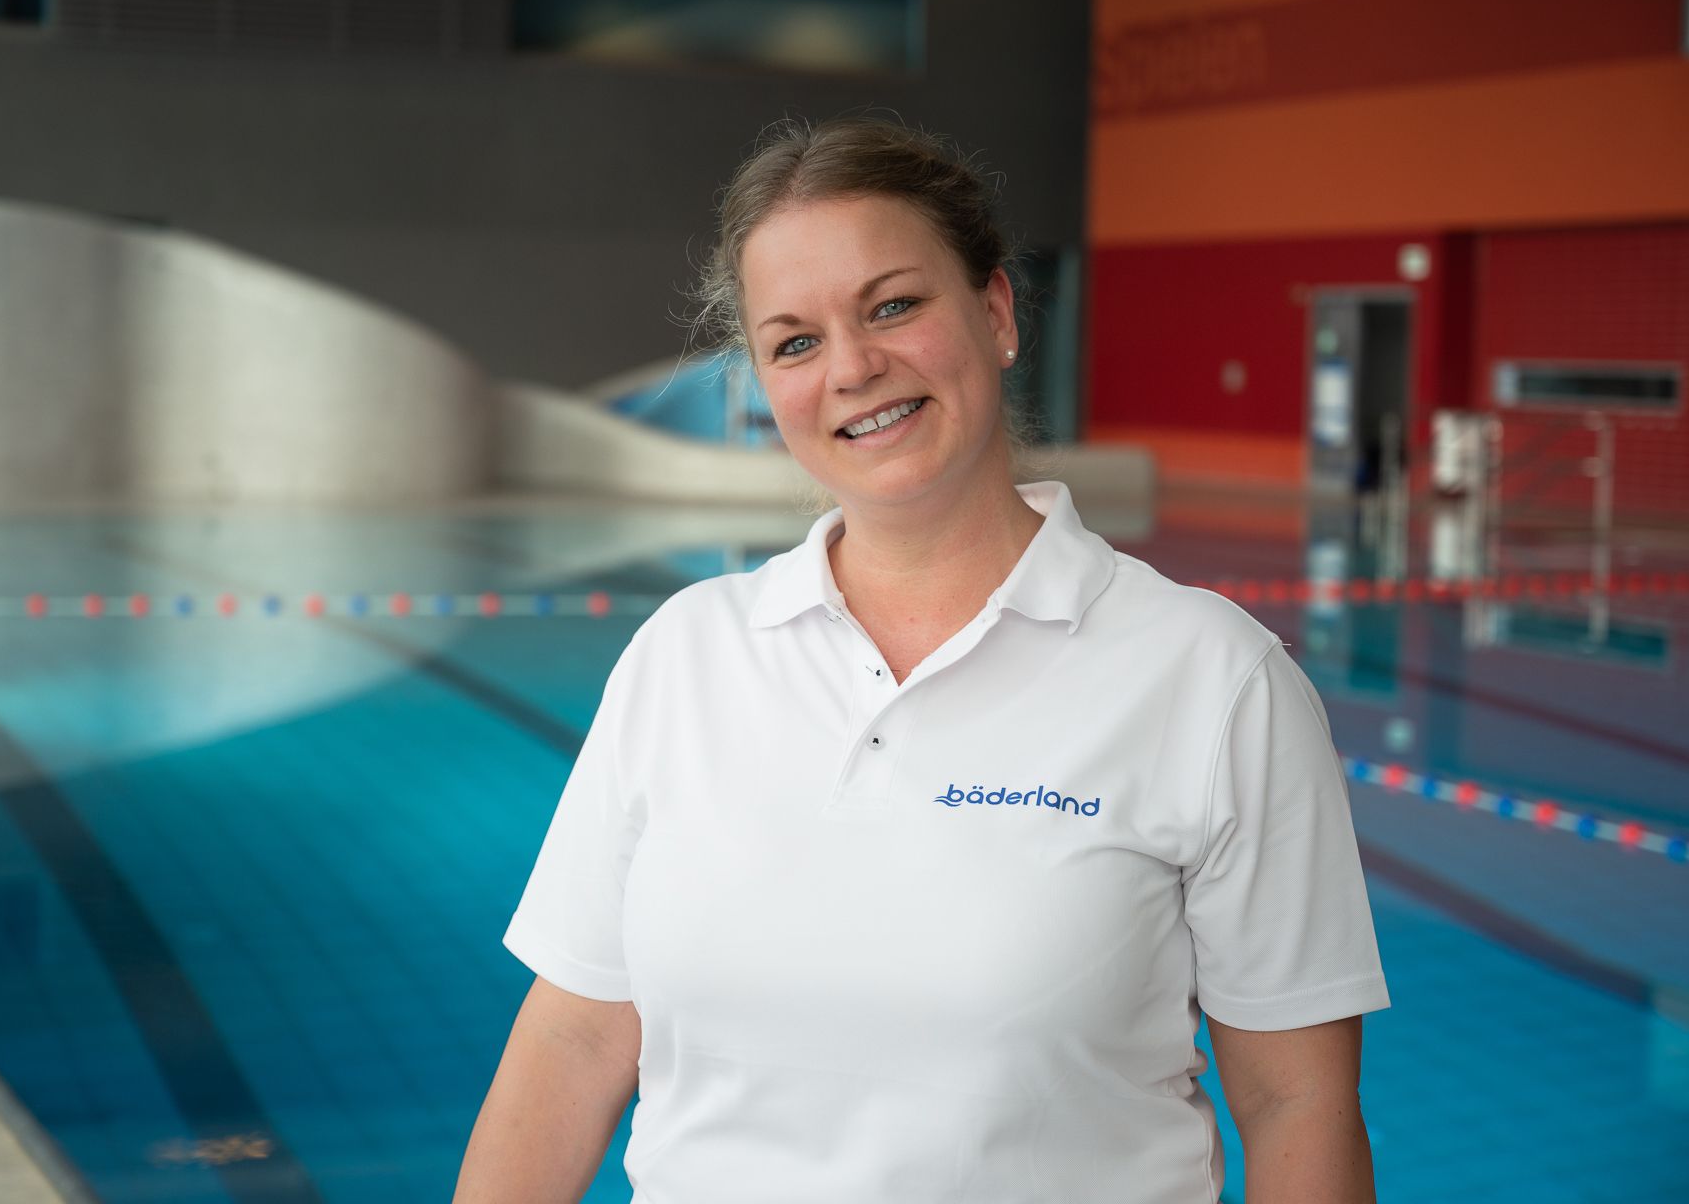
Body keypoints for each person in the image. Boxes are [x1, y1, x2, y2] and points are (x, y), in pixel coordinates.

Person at [453, 117, 1389, 1203]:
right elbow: (573, 1040)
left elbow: (1296, 1103)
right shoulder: (685, 656)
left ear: (995, 313)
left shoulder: (1212, 678)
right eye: (794, 340)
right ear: (762, 384)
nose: (852, 368)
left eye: (893, 305)